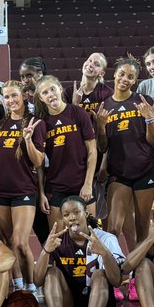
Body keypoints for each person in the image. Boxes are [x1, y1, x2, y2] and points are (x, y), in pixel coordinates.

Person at [35, 197, 124, 307]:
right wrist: (45, 251)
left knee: (99, 274)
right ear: (63, 219)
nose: (72, 217)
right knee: (52, 273)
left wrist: (105, 253)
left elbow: (116, 281)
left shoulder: (106, 239)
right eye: (66, 214)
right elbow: (37, 281)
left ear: (86, 213)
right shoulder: (57, 242)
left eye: (76, 212)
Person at [96, 57, 154, 255]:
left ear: (135, 80)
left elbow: (153, 141)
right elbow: (103, 147)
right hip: (119, 173)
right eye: (122, 74)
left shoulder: (143, 101)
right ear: (114, 74)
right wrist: (100, 127)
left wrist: (149, 119)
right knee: (113, 229)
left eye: (130, 77)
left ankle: (141, 269)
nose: (125, 79)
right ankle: (114, 268)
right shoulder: (104, 106)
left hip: (145, 170)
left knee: (142, 226)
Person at [0, 80, 45, 297]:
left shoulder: (35, 123)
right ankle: (19, 285)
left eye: (14, 95)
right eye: (7, 97)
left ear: (23, 96)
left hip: (24, 189)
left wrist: (28, 140)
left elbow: (38, 162)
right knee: (8, 242)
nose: (11, 100)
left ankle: (32, 287)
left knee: (20, 242)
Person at [35, 75, 97, 212]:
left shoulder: (78, 113)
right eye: (45, 92)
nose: (50, 94)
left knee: (90, 225)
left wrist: (88, 184)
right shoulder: (41, 123)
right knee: (57, 227)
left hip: (82, 184)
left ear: (60, 88)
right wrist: (42, 193)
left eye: (53, 89)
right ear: (41, 98)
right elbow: (39, 164)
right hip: (55, 188)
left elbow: (92, 151)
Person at [70, 51, 112, 117]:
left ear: (101, 73)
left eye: (96, 64)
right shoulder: (69, 92)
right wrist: (75, 104)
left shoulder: (108, 93)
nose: (90, 65)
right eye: (89, 60)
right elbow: (67, 120)